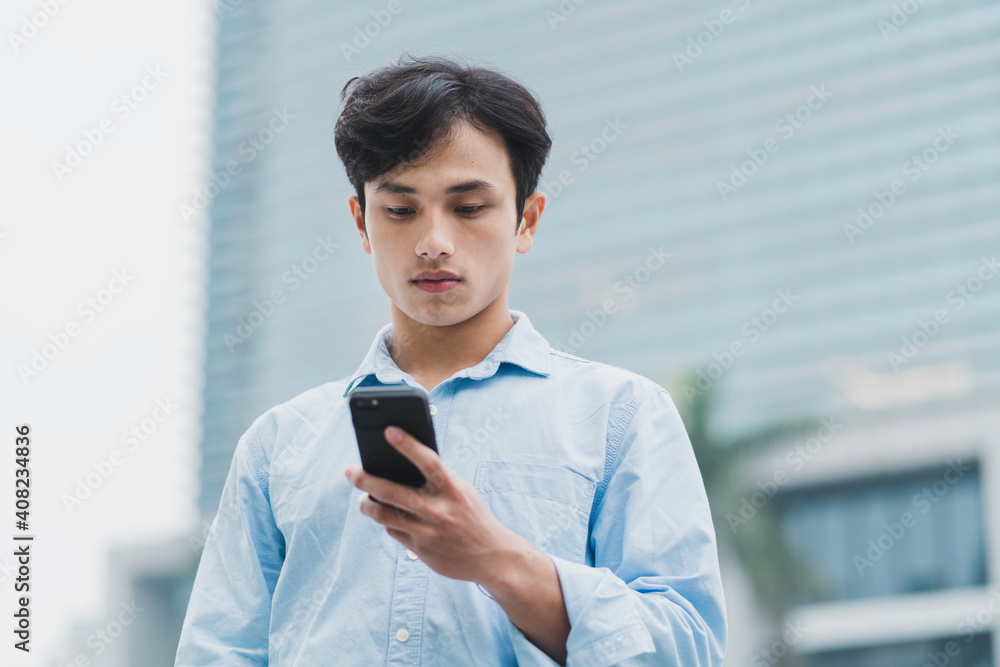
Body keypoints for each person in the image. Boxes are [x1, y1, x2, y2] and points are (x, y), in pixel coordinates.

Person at [175, 52, 727, 667]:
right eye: (400, 208)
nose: (434, 242)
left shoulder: (620, 416)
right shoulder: (280, 443)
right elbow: (218, 653)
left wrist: (497, 560)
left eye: (468, 208)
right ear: (361, 222)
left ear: (527, 220)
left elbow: (687, 649)